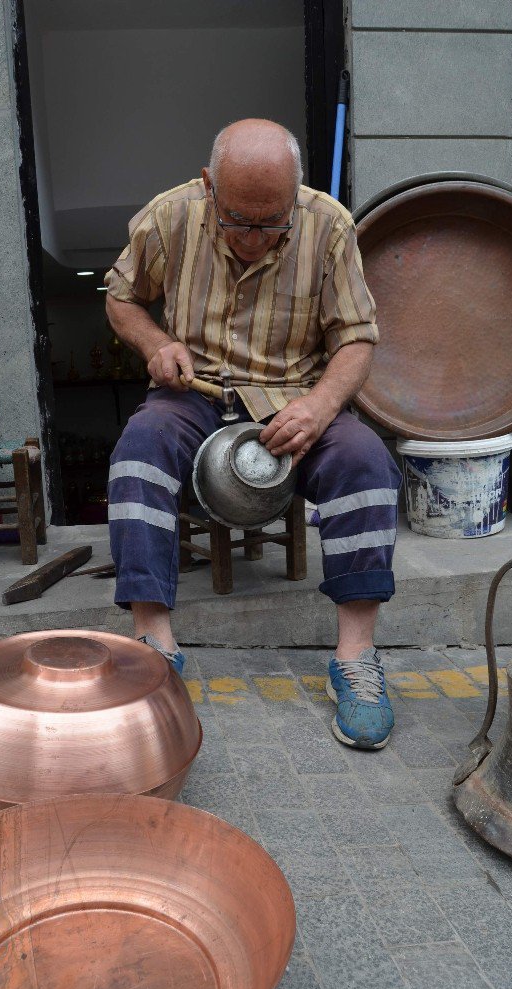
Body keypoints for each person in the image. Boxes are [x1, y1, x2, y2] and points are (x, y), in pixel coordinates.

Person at [104, 119, 402, 750]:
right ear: (210, 187)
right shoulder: (170, 216)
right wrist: (156, 344)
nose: (256, 239)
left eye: (275, 225)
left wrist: (321, 406)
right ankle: (154, 644)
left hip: (295, 398)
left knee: (365, 462)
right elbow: (121, 297)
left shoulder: (329, 226)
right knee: (140, 450)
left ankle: (356, 658)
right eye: (241, 221)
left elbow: (356, 337)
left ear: (295, 197)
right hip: (195, 393)